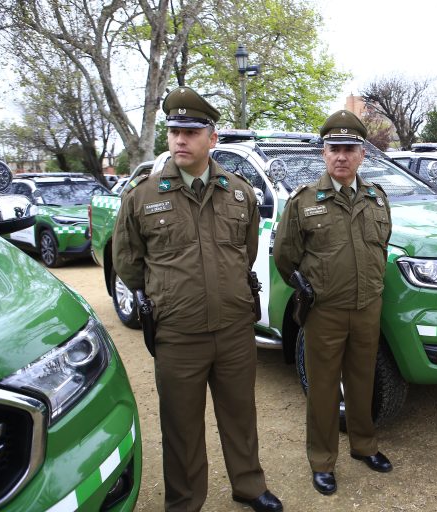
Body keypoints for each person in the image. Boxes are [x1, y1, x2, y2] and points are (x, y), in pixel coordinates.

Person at [112, 86, 282, 512]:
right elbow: (129, 262)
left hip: (233, 330)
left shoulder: (239, 193)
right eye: (174, 131)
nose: (180, 140)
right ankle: (186, 501)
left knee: (241, 415)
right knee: (181, 427)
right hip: (178, 335)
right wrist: (169, 297)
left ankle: (248, 484)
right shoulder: (143, 197)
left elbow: (245, 253)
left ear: (213, 138)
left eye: (190, 131)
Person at [273, 110, 393, 497]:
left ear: (362, 155)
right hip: (324, 310)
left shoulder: (377, 198)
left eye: (349, 149)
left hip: (367, 306)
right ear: (323, 154)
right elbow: (285, 257)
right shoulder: (303, 201)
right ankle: (322, 462)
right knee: (324, 388)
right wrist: (307, 288)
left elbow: (382, 247)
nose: (341, 156)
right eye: (333, 149)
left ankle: (364, 445)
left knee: (362, 379)